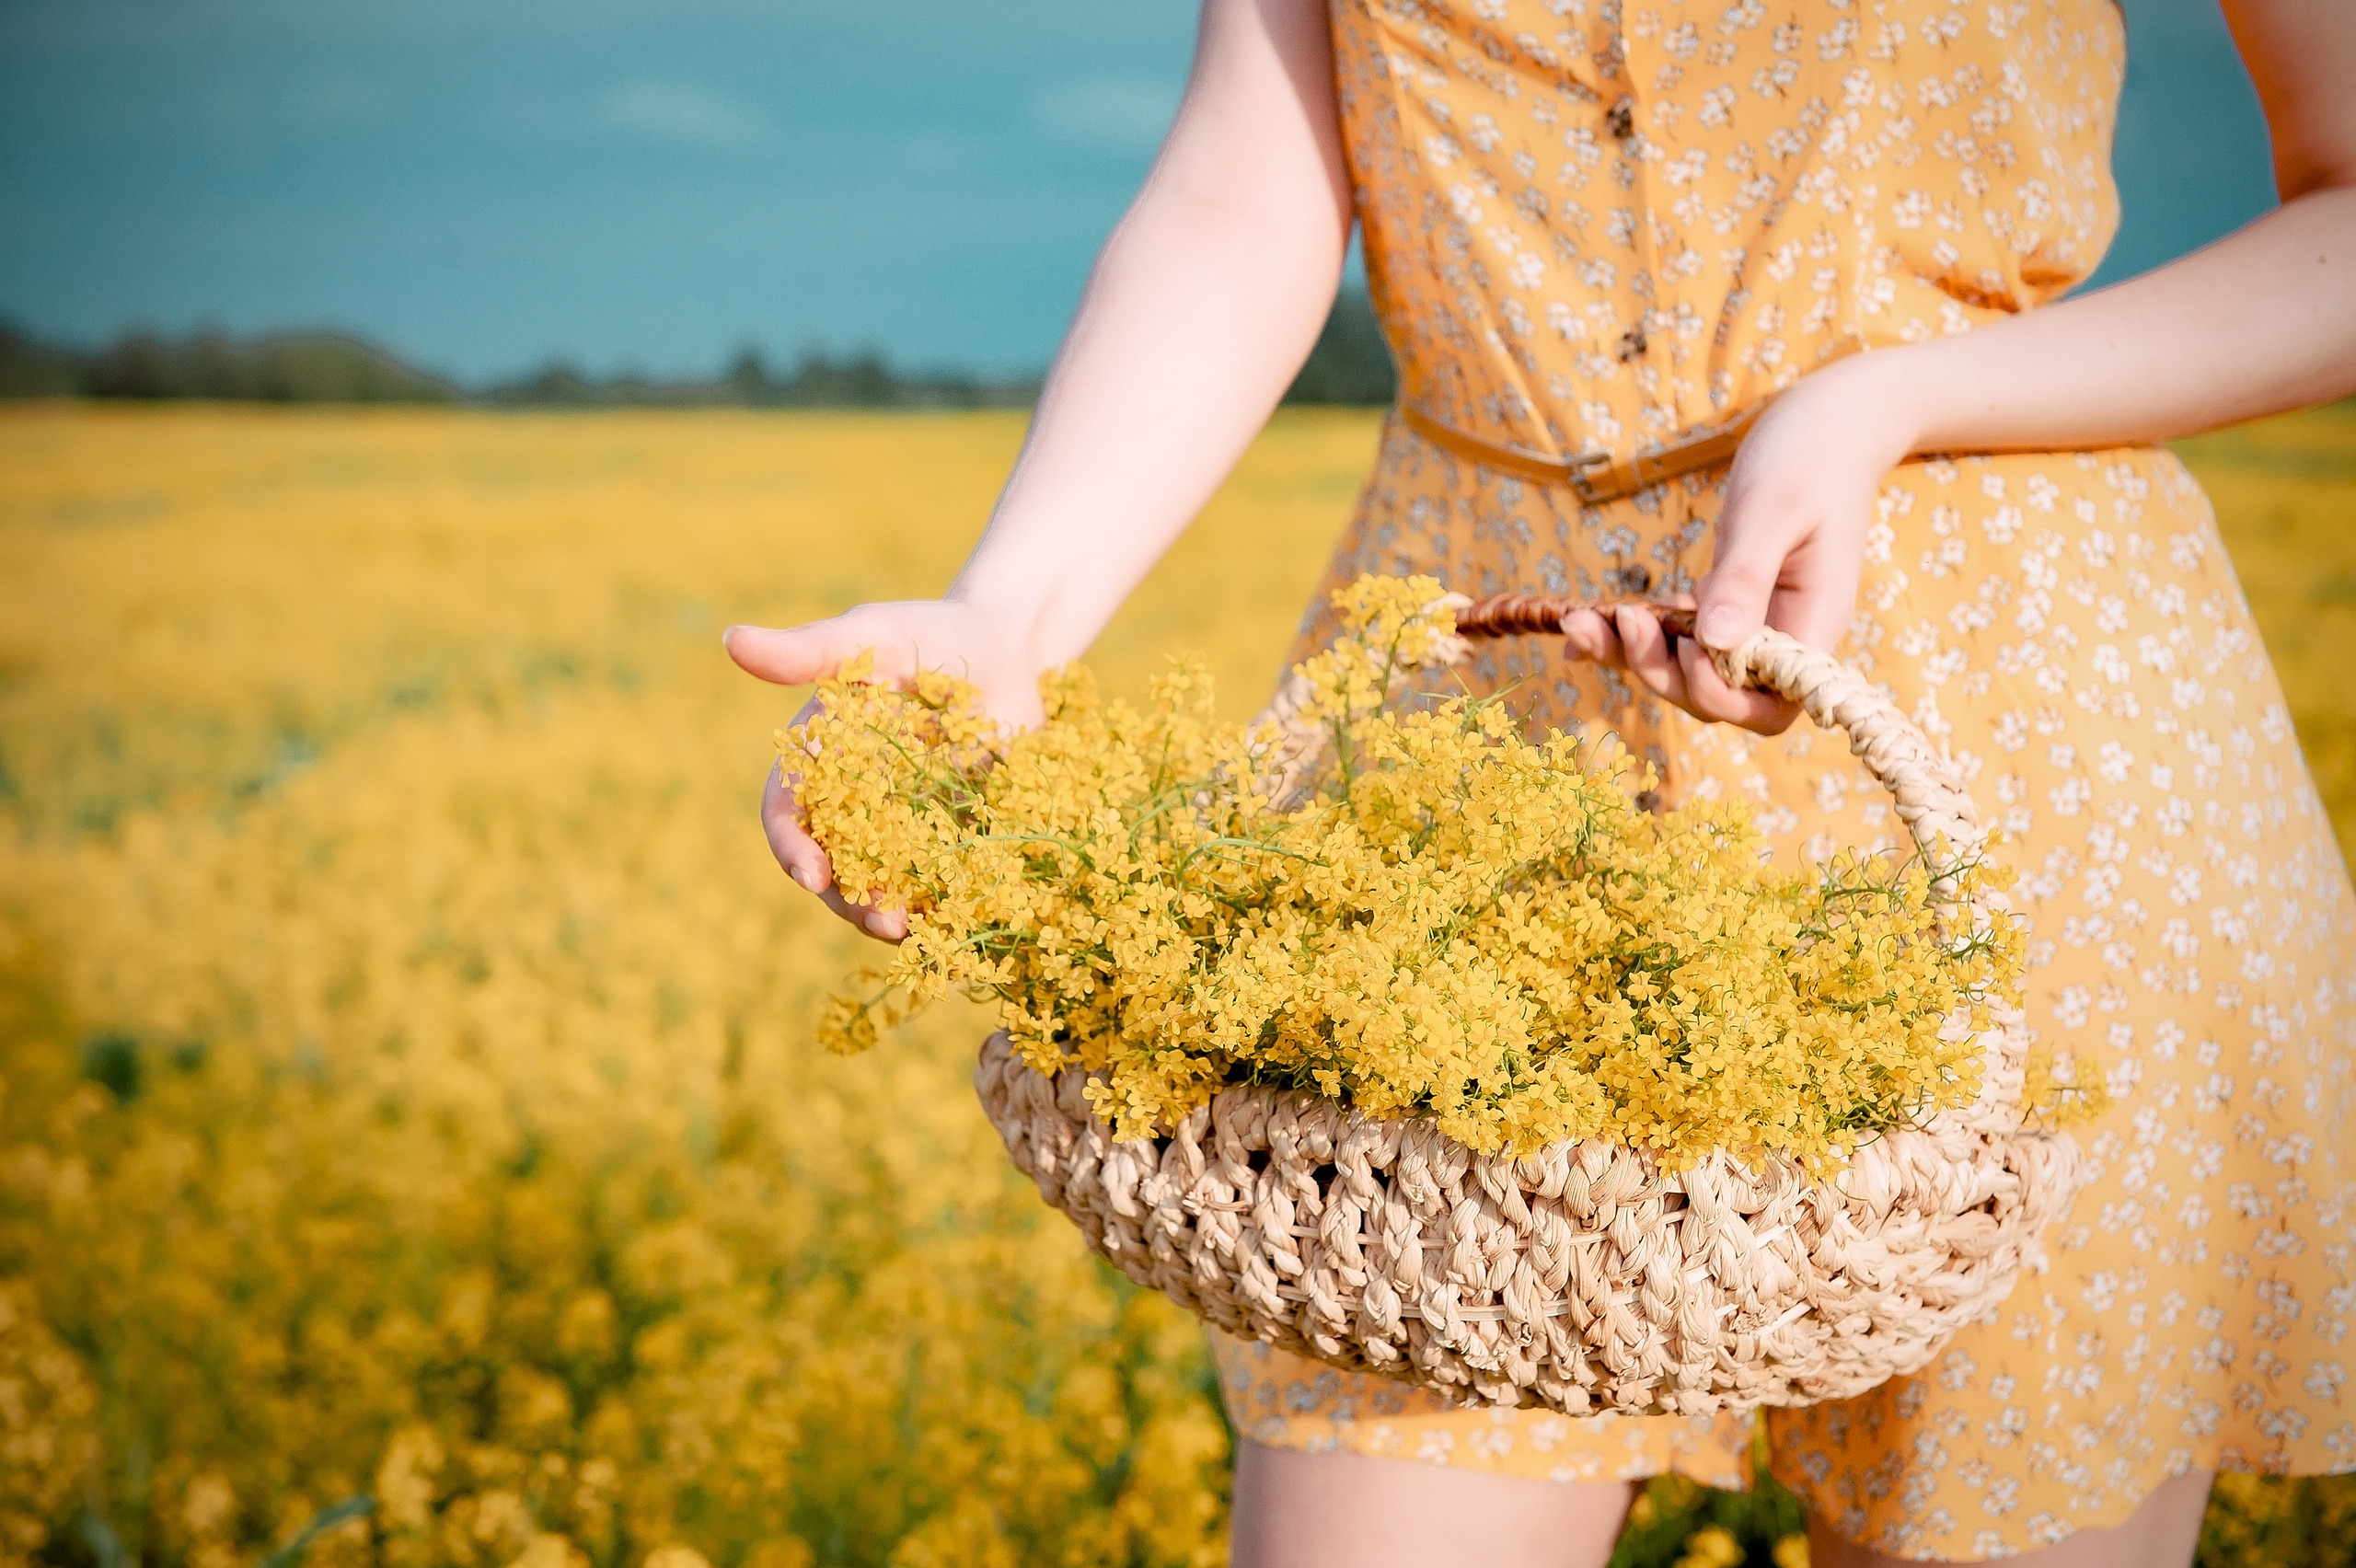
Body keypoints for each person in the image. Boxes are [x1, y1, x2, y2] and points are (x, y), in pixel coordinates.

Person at [724, 0, 2356, 1562]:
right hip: (1454, 795)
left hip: (2024, 744)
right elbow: (1251, 179)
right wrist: (1012, 606)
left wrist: (1892, 397)